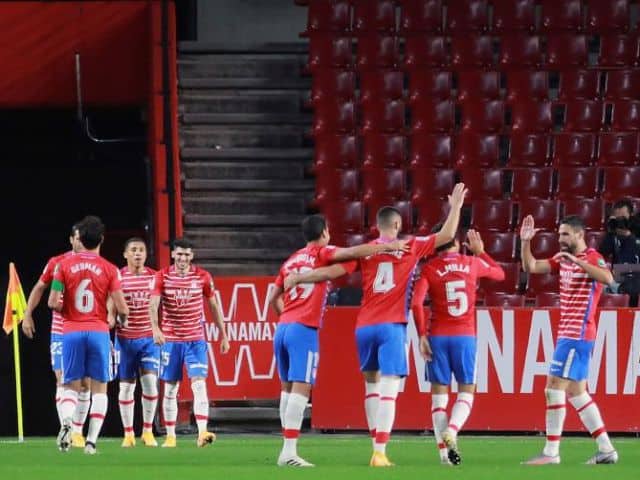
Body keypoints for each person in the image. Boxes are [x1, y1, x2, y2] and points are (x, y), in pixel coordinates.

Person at [286, 183, 467, 467]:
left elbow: (332, 272)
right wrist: (455, 207)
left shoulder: (365, 251)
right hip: (391, 326)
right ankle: (380, 452)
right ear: (397, 224)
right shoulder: (411, 246)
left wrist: (300, 278)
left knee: (371, 386)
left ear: (378, 226)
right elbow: (446, 235)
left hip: (364, 327)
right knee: (389, 388)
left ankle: (375, 447)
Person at [268, 214, 409, 467]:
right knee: (301, 388)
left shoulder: (291, 260)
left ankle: (286, 448)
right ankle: (288, 452)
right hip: (303, 328)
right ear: (323, 234)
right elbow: (354, 251)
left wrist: (287, 316)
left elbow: (272, 297)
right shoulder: (322, 252)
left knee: (286, 389)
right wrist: (386, 246)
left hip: (283, 327)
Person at [520, 215, 618, 465]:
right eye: (559, 234)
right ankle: (606, 449)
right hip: (568, 333)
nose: (560, 239)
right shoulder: (561, 259)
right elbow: (531, 266)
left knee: (553, 388)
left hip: (578, 334)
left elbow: (608, 279)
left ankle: (551, 453)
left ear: (579, 235)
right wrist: (525, 242)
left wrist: (576, 261)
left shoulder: (592, 257)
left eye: (565, 234)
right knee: (577, 392)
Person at [411, 228, 505, 465]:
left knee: (438, 400)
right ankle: (452, 430)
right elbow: (500, 274)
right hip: (465, 337)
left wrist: (421, 334)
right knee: (466, 391)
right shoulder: (472, 263)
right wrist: (482, 253)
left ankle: (444, 455)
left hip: (437, 337)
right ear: (457, 243)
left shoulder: (429, 269)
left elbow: (415, 304)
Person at [48, 215, 129, 454]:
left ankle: (67, 424)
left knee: (70, 386)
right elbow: (122, 307)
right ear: (102, 239)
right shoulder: (111, 269)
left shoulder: (62, 266)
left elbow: (53, 302)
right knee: (100, 388)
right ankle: (91, 442)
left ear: (80, 239)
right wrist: (121, 319)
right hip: (98, 331)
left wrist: (66, 308)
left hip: (70, 331)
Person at [149, 238, 230, 448]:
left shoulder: (203, 277)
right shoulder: (162, 276)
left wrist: (224, 334)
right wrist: (156, 328)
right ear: (173, 255)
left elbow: (214, 305)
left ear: (191, 256)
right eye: (179, 254)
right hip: (171, 341)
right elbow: (154, 303)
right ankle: (170, 436)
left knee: (199, 384)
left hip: (195, 339)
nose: (183, 258)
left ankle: (202, 433)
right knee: (170, 388)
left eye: (187, 254)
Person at [22, 224, 92, 448]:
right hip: (62, 331)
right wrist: (27, 314)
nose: (81, 242)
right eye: (78, 238)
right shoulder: (57, 262)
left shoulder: (97, 264)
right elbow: (40, 287)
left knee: (85, 383)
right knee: (62, 379)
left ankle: (77, 432)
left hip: (89, 329)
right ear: (71, 239)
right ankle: (67, 427)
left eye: (85, 238)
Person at [110, 238, 159, 447]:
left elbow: (161, 307)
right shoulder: (118, 277)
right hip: (124, 339)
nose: (137, 254)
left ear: (146, 254)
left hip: (148, 338)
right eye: (133, 250)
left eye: (141, 250)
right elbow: (111, 306)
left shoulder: (155, 278)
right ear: (125, 254)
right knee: (126, 387)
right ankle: (128, 434)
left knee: (149, 384)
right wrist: (110, 321)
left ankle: (147, 431)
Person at [598, 198, 640, 306]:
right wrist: (610, 232)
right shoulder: (614, 233)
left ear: (631, 216)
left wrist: (630, 237)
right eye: (617, 219)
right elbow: (600, 254)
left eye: (623, 218)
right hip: (619, 277)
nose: (620, 222)